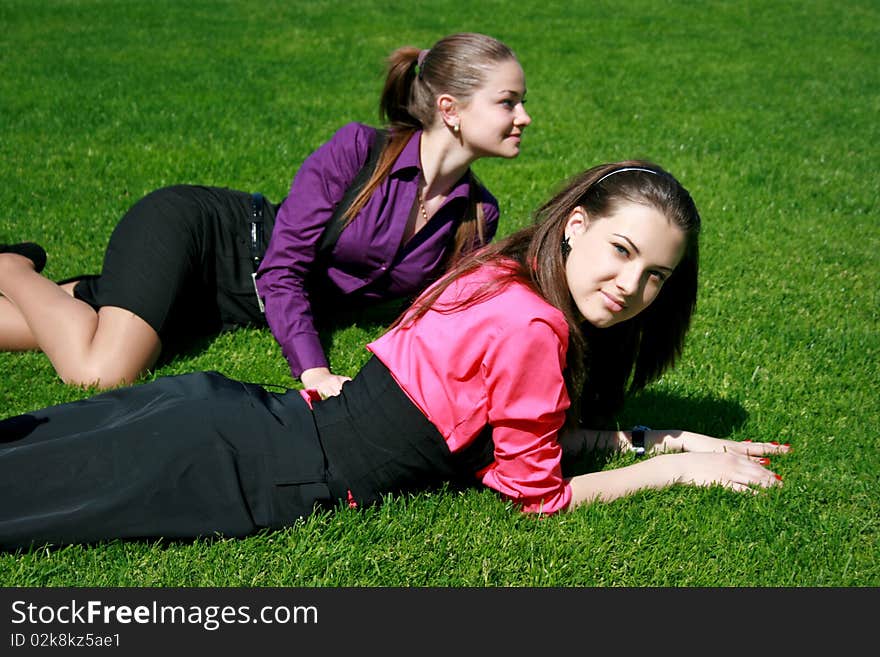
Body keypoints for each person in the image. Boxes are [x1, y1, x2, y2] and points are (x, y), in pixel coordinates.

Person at [0, 161, 791, 551]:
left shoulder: (504, 275)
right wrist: (675, 470)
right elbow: (536, 494)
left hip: (229, 416)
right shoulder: (534, 329)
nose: (632, 286)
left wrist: (674, 439)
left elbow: (520, 440)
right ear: (578, 226)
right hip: (251, 468)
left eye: (656, 275)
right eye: (622, 251)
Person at [0, 32, 531, 397]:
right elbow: (281, 270)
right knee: (101, 373)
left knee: (66, 326)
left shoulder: (478, 214)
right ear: (450, 109)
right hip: (203, 237)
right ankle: (11, 267)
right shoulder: (357, 150)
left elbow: (444, 316)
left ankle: (66, 290)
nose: (524, 117)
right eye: (508, 102)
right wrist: (314, 369)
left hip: (220, 306)